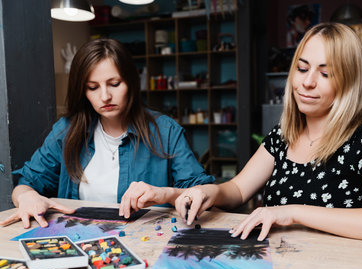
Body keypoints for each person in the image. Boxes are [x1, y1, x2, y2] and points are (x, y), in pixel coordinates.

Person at [174, 23, 362, 269]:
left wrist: (291, 213)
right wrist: (207, 191)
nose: (307, 82)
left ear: (349, 82)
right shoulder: (283, 135)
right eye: (302, 68)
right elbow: (237, 189)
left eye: (326, 73)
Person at [0, 38, 214, 229]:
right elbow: (26, 183)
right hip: (78, 240)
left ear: (130, 82)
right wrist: (27, 197)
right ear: (83, 92)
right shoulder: (66, 130)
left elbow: (200, 191)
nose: (105, 96)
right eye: (92, 87)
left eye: (114, 84)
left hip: (145, 242)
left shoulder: (165, 131)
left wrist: (167, 194)